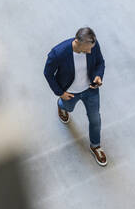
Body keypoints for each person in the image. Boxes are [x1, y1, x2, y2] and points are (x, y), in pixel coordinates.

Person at [43, 27, 107, 166]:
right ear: (77, 42)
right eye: (87, 48)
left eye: (91, 48)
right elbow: (48, 73)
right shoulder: (58, 53)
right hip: (70, 93)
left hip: (91, 90)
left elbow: (100, 63)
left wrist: (98, 76)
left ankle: (95, 145)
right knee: (67, 108)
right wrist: (60, 93)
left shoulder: (93, 45)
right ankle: (61, 105)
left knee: (95, 118)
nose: (90, 51)